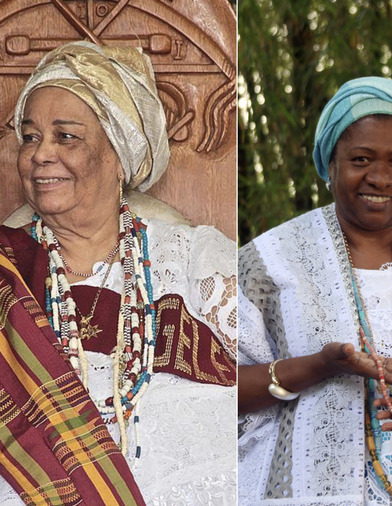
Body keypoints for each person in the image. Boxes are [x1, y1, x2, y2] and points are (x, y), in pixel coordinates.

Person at [0, 42, 237, 505]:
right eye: (30, 137)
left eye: (65, 136)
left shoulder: (194, 259)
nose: (40, 154)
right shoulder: (10, 271)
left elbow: (279, 362)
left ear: (119, 157)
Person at [238, 76, 392, 505]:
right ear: (330, 166)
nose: (381, 177)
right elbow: (219, 392)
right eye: (361, 158)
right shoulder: (269, 263)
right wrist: (320, 366)